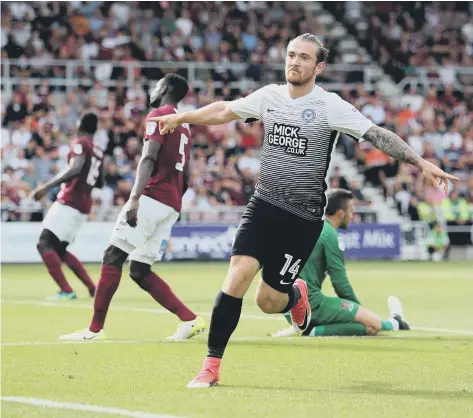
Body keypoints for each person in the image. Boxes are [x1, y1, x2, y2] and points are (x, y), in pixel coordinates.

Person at [151, 33, 458, 389]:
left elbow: (377, 135)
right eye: (291, 55)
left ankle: (294, 295)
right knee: (236, 277)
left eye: (303, 58)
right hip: (263, 204)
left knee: (268, 301)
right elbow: (225, 109)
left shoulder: (331, 106)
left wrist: (421, 163)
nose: (294, 62)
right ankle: (211, 366)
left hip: (302, 218)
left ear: (319, 66)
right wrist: (183, 117)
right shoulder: (269, 96)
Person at [59, 74, 205, 341]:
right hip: (171, 203)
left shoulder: (159, 116)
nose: (153, 88)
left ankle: (93, 330)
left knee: (112, 256)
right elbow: (188, 175)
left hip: (152, 198)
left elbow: (148, 157)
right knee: (139, 269)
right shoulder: (183, 125)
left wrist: (135, 198)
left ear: (164, 89)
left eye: (156, 84)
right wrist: (172, 203)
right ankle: (189, 319)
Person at [271, 189, 409, 338]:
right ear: (340, 213)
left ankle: (307, 328)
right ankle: (395, 322)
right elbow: (340, 283)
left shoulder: (311, 227)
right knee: (372, 324)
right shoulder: (329, 234)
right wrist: (359, 310)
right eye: (351, 210)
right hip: (311, 304)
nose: (352, 215)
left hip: (287, 305)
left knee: (363, 322)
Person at [31, 112, 103, 300]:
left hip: (70, 201)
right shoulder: (98, 150)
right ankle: (91, 287)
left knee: (44, 243)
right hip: (83, 205)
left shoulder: (80, 143)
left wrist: (46, 187)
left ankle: (66, 290)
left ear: (80, 124)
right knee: (60, 249)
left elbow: (76, 168)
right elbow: (100, 181)